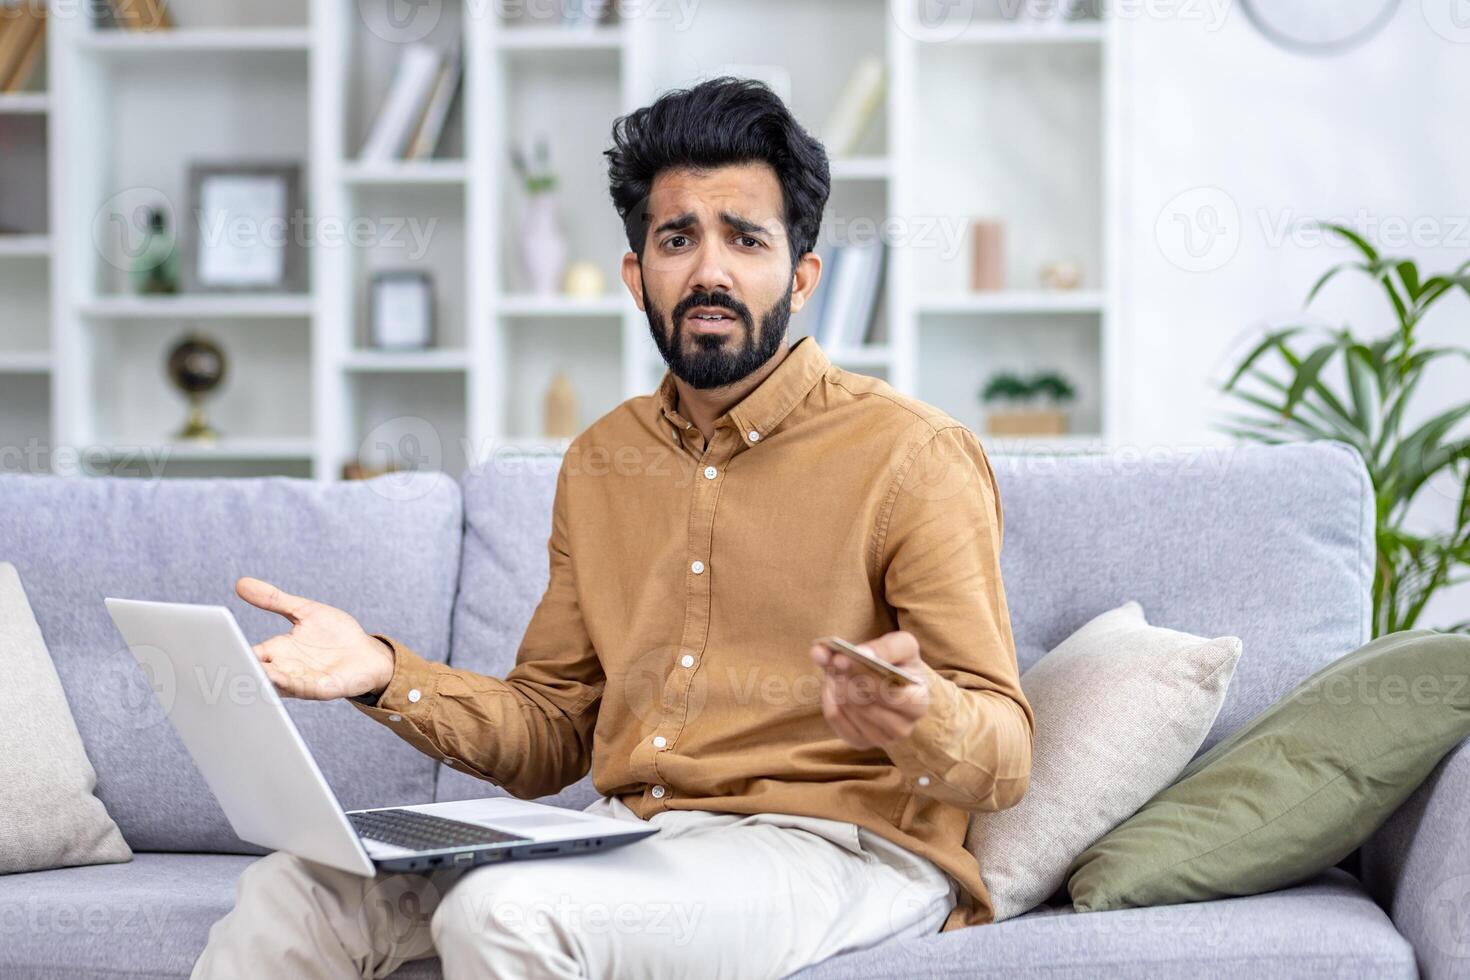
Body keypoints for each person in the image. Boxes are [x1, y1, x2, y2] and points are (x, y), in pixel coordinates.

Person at [192, 76, 1035, 980]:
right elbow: (552, 730)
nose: (710, 269)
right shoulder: (602, 460)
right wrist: (384, 673)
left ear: (800, 276)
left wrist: (920, 715)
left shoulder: (913, 456)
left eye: (745, 238)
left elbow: (1005, 753)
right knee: (296, 888)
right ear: (639, 277)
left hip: (838, 850)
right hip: (633, 842)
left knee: (504, 914)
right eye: (678, 239)